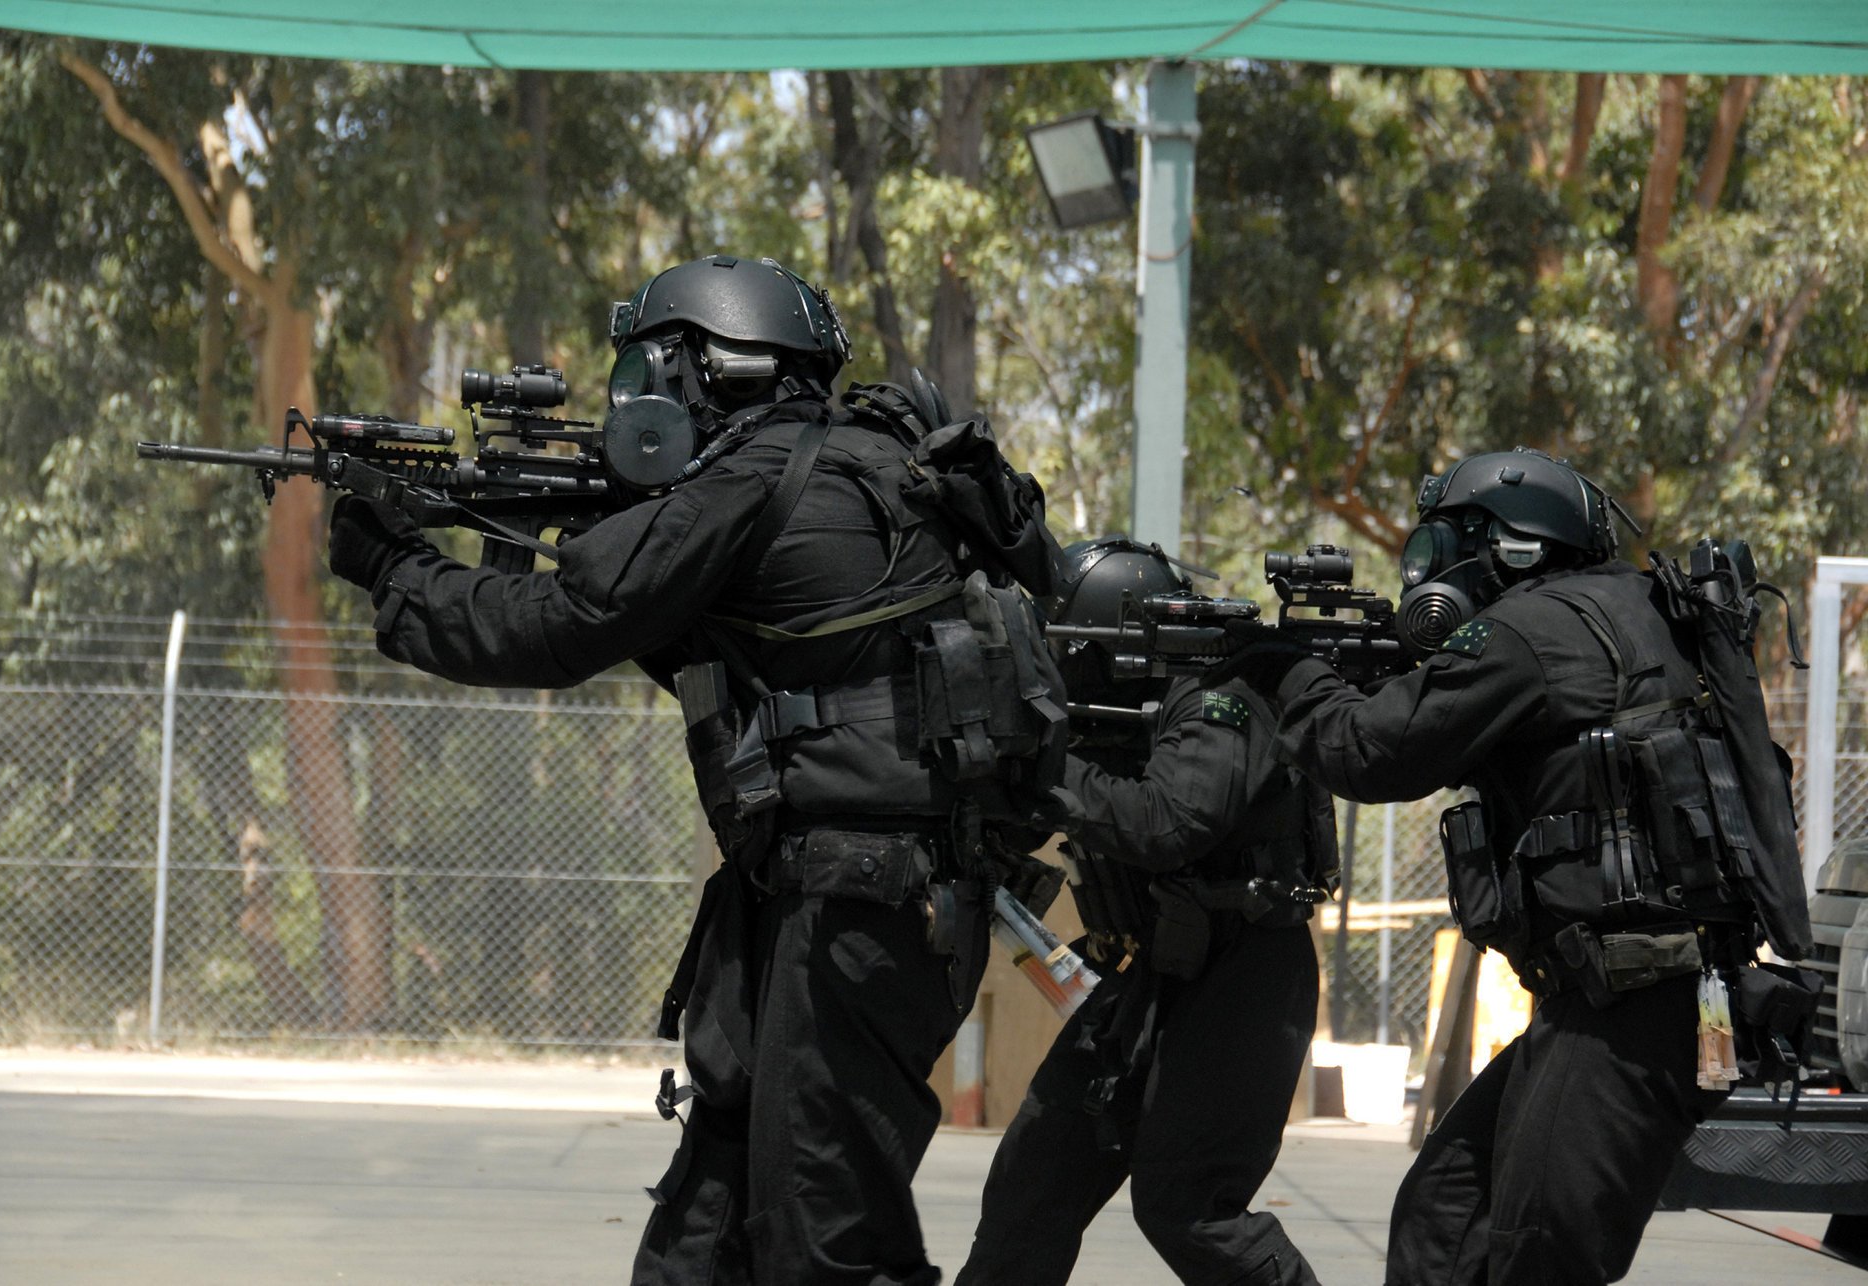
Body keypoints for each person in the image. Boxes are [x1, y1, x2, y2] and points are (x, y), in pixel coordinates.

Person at [324, 254, 1063, 1285]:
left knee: (826, 1245)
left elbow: (566, 624)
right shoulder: (872, 461)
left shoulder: (757, 479)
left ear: (702, 367)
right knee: (707, 1231)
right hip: (852, 900)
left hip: (858, 906)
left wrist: (396, 568)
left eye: (648, 371)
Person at [1254, 448, 1805, 1286]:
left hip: (1631, 1009)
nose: (1434, 579)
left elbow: (1368, 753)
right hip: (1640, 1001)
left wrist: (1286, 669)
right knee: (1445, 1219)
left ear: (1511, 546)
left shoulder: (1527, 633)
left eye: (1445, 551)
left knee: (1538, 1259)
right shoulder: (1636, 607)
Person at [956, 539, 1333, 1286]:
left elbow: (1169, 820)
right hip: (1148, 972)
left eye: (1072, 649)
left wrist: (1047, 765)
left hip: (1241, 975)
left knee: (1190, 1207)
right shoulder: (1116, 716)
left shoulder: (1222, 695)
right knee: (1032, 1186)